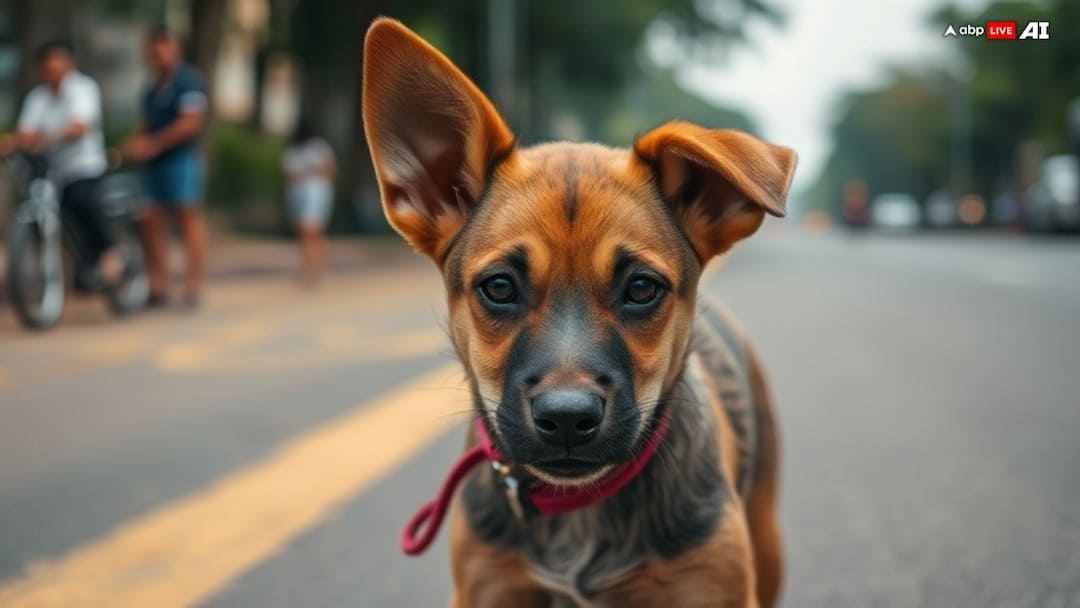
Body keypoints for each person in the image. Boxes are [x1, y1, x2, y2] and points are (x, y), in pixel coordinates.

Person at [5, 40, 123, 287]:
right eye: (46, 63)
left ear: (68, 62)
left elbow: (80, 126)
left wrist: (47, 138)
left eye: (56, 60)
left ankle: (109, 253)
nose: (52, 67)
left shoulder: (83, 88)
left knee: (80, 199)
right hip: (51, 171)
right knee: (46, 206)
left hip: (84, 166)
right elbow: (25, 132)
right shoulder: (37, 98)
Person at [123, 26, 208, 309]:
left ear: (176, 48)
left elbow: (191, 122)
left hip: (181, 159)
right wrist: (133, 145)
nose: (160, 52)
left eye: (165, 45)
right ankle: (158, 284)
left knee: (186, 216)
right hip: (153, 163)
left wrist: (154, 144)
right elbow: (144, 125)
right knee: (149, 219)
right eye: (155, 46)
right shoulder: (150, 89)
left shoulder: (188, 81)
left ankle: (193, 284)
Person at [281, 116, 335, 283]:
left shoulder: (318, 148)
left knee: (311, 230)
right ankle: (308, 267)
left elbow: (329, 170)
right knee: (304, 233)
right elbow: (287, 174)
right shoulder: (292, 151)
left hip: (316, 194)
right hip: (296, 195)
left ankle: (316, 268)